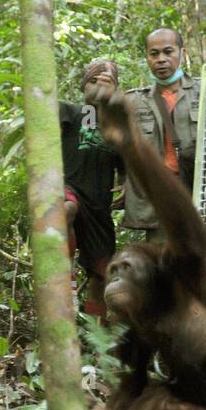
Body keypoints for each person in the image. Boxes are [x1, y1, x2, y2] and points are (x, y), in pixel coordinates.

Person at [123, 28, 201, 241]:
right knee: (164, 262)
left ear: (182, 53)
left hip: (200, 190)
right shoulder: (134, 101)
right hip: (159, 196)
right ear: (147, 57)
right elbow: (100, 138)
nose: (161, 59)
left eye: (168, 52)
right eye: (154, 54)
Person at [61, 60, 125, 321]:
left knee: (102, 275)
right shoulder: (71, 112)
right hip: (69, 188)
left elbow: (126, 164)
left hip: (100, 206)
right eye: (93, 81)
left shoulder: (116, 127)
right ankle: (65, 280)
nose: (99, 87)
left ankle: (96, 335)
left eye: (106, 82)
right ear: (83, 86)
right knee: (66, 209)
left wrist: (126, 184)